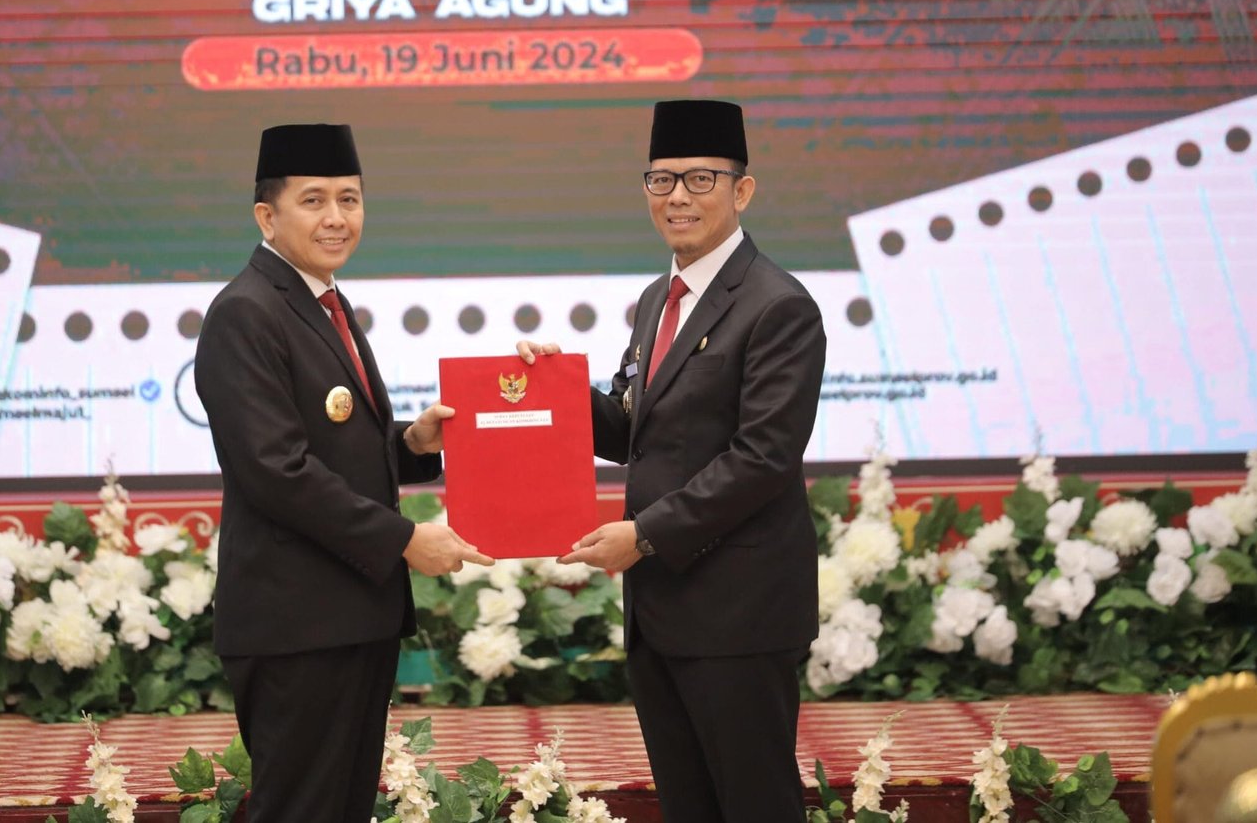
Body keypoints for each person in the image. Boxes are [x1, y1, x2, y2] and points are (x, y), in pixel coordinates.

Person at [518, 99, 826, 822]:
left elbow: (763, 457)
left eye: (699, 179)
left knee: (754, 804)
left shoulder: (778, 305)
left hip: (738, 611)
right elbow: (635, 429)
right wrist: (555, 389)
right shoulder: (659, 297)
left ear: (742, 190)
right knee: (689, 804)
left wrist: (646, 534)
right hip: (662, 607)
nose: (678, 197)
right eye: (661, 180)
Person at [195, 122, 492, 823]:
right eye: (314, 200)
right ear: (267, 215)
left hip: (347, 616)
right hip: (297, 626)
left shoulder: (319, 301)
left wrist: (413, 442)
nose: (336, 217)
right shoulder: (246, 313)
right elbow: (278, 472)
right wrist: (403, 540)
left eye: (349, 199)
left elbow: (333, 445)